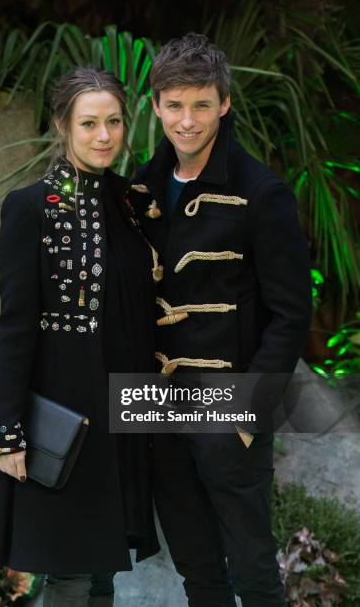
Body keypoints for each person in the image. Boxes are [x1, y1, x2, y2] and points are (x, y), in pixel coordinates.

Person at [129, 34, 312, 607]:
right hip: (157, 409)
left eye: (201, 104)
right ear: (155, 105)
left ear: (224, 103)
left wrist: (247, 417)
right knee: (199, 577)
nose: (187, 120)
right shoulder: (139, 189)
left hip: (228, 407)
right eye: (175, 105)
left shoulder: (262, 193)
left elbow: (290, 315)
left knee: (255, 575)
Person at [0, 68, 160, 607]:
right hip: (61, 416)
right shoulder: (30, 207)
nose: (104, 135)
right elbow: (14, 323)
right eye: (88, 123)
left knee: (103, 571)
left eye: (114, 121)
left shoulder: (131, 204)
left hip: (121, 413)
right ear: (62, 125)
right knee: (71, 572)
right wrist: (5, 430)